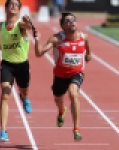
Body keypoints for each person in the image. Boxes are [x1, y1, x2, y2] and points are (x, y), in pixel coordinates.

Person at [33, 12, 91, 140]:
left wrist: (88, 55)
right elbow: (39, 53)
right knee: (58, 100)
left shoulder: (83, 37)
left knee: (73, 93)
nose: (72, 22)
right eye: (68, 20)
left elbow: (87, 49)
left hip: (76, 73)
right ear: (63, 27)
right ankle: (61, 110)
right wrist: (37, 40)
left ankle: (76, 129)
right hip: (60, 75)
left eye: (73, 19)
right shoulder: (57, 39)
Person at [0, 0, 32, 142]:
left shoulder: (21, 25)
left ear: (19, 10)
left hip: (22, 65)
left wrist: (28, 22)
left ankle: (24, 97)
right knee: (5, 94)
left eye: (16, 5)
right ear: (6, 8)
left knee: (24, 90)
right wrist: (0, 45)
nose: (13, 6)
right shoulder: (1, 26)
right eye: (11, 4)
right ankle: (3, 130)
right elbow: (4, 41)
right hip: (7, 65)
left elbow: (27, 26)